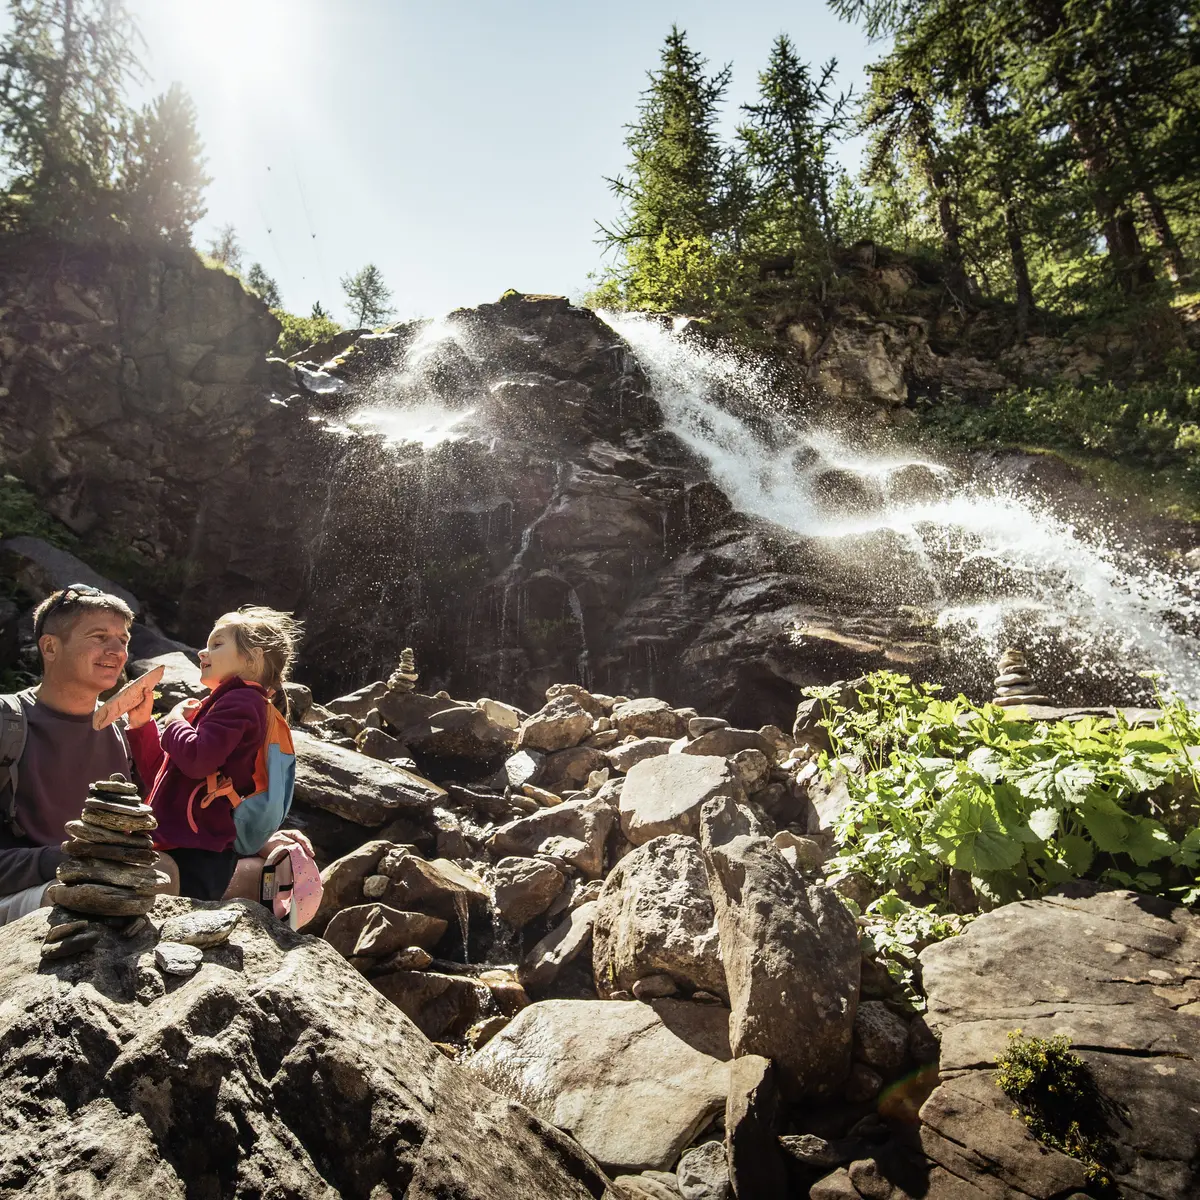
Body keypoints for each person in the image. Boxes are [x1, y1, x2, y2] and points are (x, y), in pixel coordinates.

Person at [0, 584, 180, 925]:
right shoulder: (6, 723)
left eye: (123, 640)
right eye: (99, 637)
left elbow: (169, 819)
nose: (118, 651)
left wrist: (257, 839)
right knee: (91, 894)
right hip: (24, 894)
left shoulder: (123, 730)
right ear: (50, 647)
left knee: (163, 870)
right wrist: (67, 858)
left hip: (96, 882)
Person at [140, 605, 310, 901]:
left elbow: (197, 759)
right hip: (192, 842)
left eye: (217, 644)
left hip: (195, 846)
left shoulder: (241, 701)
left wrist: (174, 722)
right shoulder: (232, 703)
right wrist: (141, 727)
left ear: (253, 657)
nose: (202, 653)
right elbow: (165, 772)